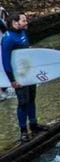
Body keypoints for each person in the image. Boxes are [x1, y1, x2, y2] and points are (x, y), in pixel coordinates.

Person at [1, 11, 49, 142]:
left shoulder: (22, 32)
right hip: (19, 76)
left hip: (29, 73)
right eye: (23, 20)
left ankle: (33, 124)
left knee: (31, 99)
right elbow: (5, 61)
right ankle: (23, 131)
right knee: (23, 102)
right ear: (15, 23)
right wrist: (12, 80)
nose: (26, 22)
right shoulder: (8, 38)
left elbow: (27, 52)